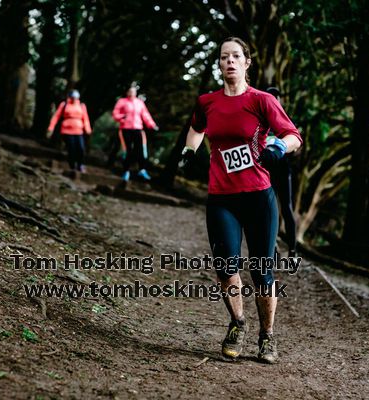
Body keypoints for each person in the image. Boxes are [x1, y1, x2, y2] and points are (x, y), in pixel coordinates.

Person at [179, 37, 302, 363]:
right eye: (223, 57)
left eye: (236, 56)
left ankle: (267, 336)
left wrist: (279, 147)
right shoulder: (207, 102)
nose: (229, 61)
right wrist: (190, 150)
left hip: (259, 198)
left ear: (247, 62)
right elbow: (196, 129)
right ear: (219, 64)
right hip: (222, 199)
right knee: (225, 267)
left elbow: (293, 136)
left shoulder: (261, 101)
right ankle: (238, 323)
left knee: (262, 270)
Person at [265, 87, 298, 259]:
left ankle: (292, 249)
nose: (275, 101)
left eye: (277, 98)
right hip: (267, 171)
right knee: (269, 208)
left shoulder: (285, 119)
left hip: (284, 170)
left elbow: (295, 145)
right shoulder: (261, 119)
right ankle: (274, 246)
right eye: (272, 98)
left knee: (286, 207)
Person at [112, 86, 159, 181]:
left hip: (138, 128)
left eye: (133, 91)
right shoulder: (122, 101)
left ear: (136, 93)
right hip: (125, 129)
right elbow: (115, 113)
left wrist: (152, 125)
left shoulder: (139, 103)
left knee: (141, 150)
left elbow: (145, 115)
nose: (131, 93)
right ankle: (126, 171)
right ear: (127, 92)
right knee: (128, 151)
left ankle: (142, 170)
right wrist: (122, 117)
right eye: (129, 91)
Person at [46, 90, 92, 172]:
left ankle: (80, 164)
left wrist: (87, 128)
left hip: (79, 131)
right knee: (72, 148)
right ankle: (72, 165)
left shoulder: (81, 106)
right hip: (67, 131)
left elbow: (85, 118)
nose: (74, 99)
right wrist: (51, 127)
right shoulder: (64, 105)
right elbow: (56, 116)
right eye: (73, 97)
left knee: (81, 148)